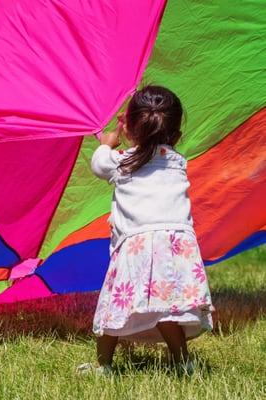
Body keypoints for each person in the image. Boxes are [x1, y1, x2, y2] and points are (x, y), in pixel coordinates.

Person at [79, 85, 214, 375]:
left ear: (128, 129)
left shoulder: (121, 162)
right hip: (177, 247)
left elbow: (98, 164)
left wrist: (107, 142)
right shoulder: (178, 163)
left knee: (114, 308)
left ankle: (104, 365)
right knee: (168, 309)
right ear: (176, 136)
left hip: (138, 248)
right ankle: (182, 362)